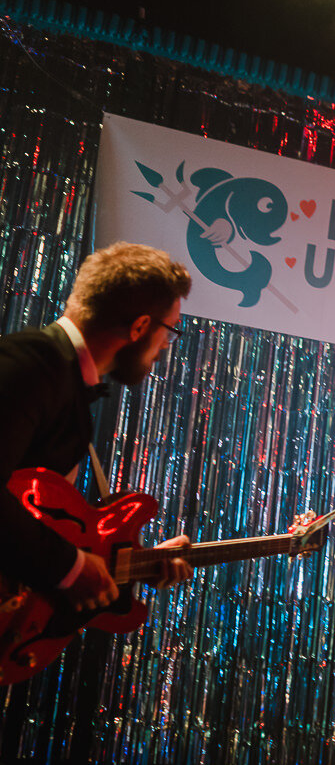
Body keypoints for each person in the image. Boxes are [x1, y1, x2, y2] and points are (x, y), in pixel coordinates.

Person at [0, 242, 194, 615]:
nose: (165, 348)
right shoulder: (29, 365)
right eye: (169, 334)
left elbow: (33, 521)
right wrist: (70, 569)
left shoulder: (61, 379)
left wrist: (129, 564)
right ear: (140, 326)